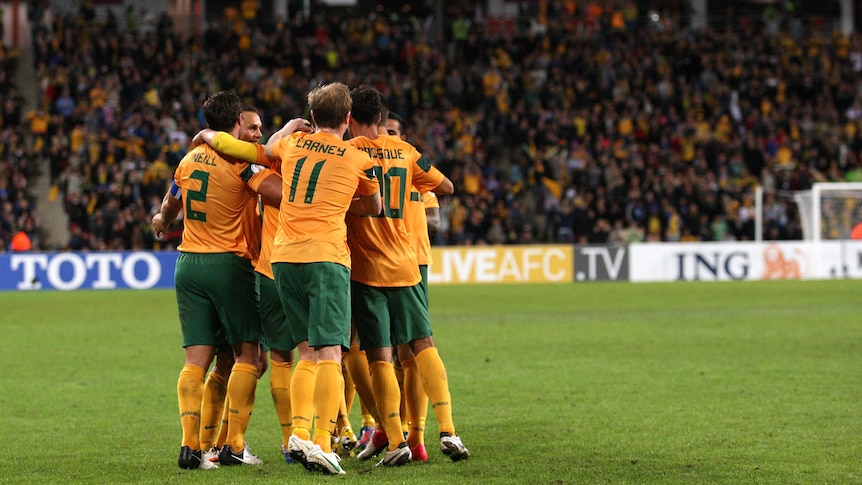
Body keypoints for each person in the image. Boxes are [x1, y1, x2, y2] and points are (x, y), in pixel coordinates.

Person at [193, 82, 382, 475]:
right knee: (330, 351)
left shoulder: (292, 146)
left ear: (311, 118)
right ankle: (324, 442)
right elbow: (374, 206)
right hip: (326, 258)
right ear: (348, 119)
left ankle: (298, 432)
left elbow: (256, 150)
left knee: (303, 354)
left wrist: (209, 134)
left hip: (283, 260)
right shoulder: (357, 157)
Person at [152, 91, 298, 470]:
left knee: (198, 360)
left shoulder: (187, 160)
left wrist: (160, 222)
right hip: (228, 265)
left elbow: (170, 205)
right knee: (251, 356)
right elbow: (279, 194)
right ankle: (232, 444)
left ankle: (192, 447)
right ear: (235, 125)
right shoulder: (238, 161)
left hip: (187, 264)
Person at [345, 85, 469, 465]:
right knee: (421, 345)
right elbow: (446, 186)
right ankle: (447, 428)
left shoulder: (347, 153)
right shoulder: (407, 151)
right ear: (382, 119)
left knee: (379, 355)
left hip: (366, 269)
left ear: (349, 120)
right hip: (406, 263)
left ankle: (397, 438)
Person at [385, 111, 441, 461]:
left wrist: (405, 207)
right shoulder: (371, 169)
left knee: (407, 350)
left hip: (412, 262)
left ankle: (415, 435)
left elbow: (435, 221)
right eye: (385, 131)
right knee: (379, 351)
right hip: (375, 261)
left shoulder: (418, 177)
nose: (390, 137)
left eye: (396, 132)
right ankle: (380, 427)